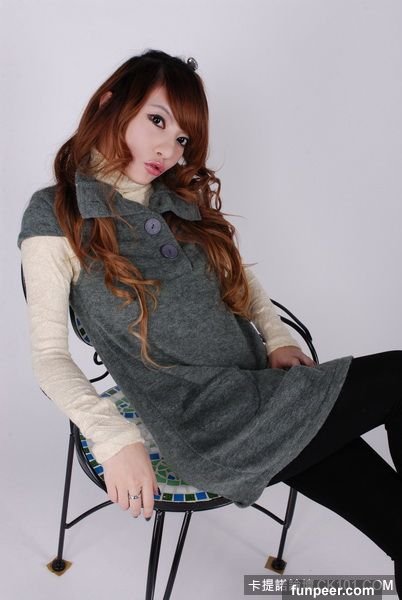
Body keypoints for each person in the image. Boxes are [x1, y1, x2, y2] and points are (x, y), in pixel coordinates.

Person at [18, 49, 402, 593]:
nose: (169, 149)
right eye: (157, 120)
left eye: (182, 138)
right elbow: (49, 357)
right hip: (211, 424)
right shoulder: (55, 214)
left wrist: (277, 337)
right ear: (109, 104)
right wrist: (113, 438)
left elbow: (241, 281)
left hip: (269, 391)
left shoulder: (177, 203)